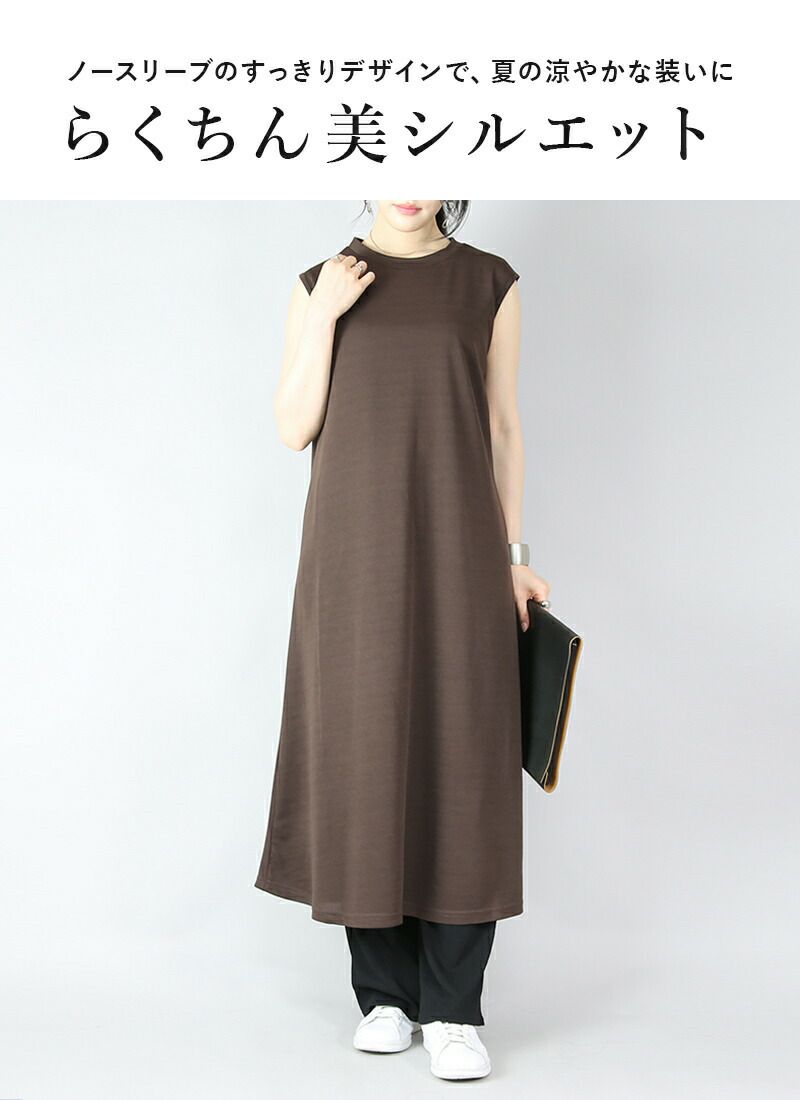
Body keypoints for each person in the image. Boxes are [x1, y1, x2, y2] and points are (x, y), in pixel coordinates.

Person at [254, 200, 551, 1081]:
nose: (410, 185)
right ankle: (384, 996)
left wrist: (514, 559)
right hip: (353, 553)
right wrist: (325, 316)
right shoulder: (321, 282)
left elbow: (503, 425)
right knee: (364, 754)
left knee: (463, 757)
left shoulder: (489, 282)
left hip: (462, 547)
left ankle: (454, 1010)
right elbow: (292, 427)